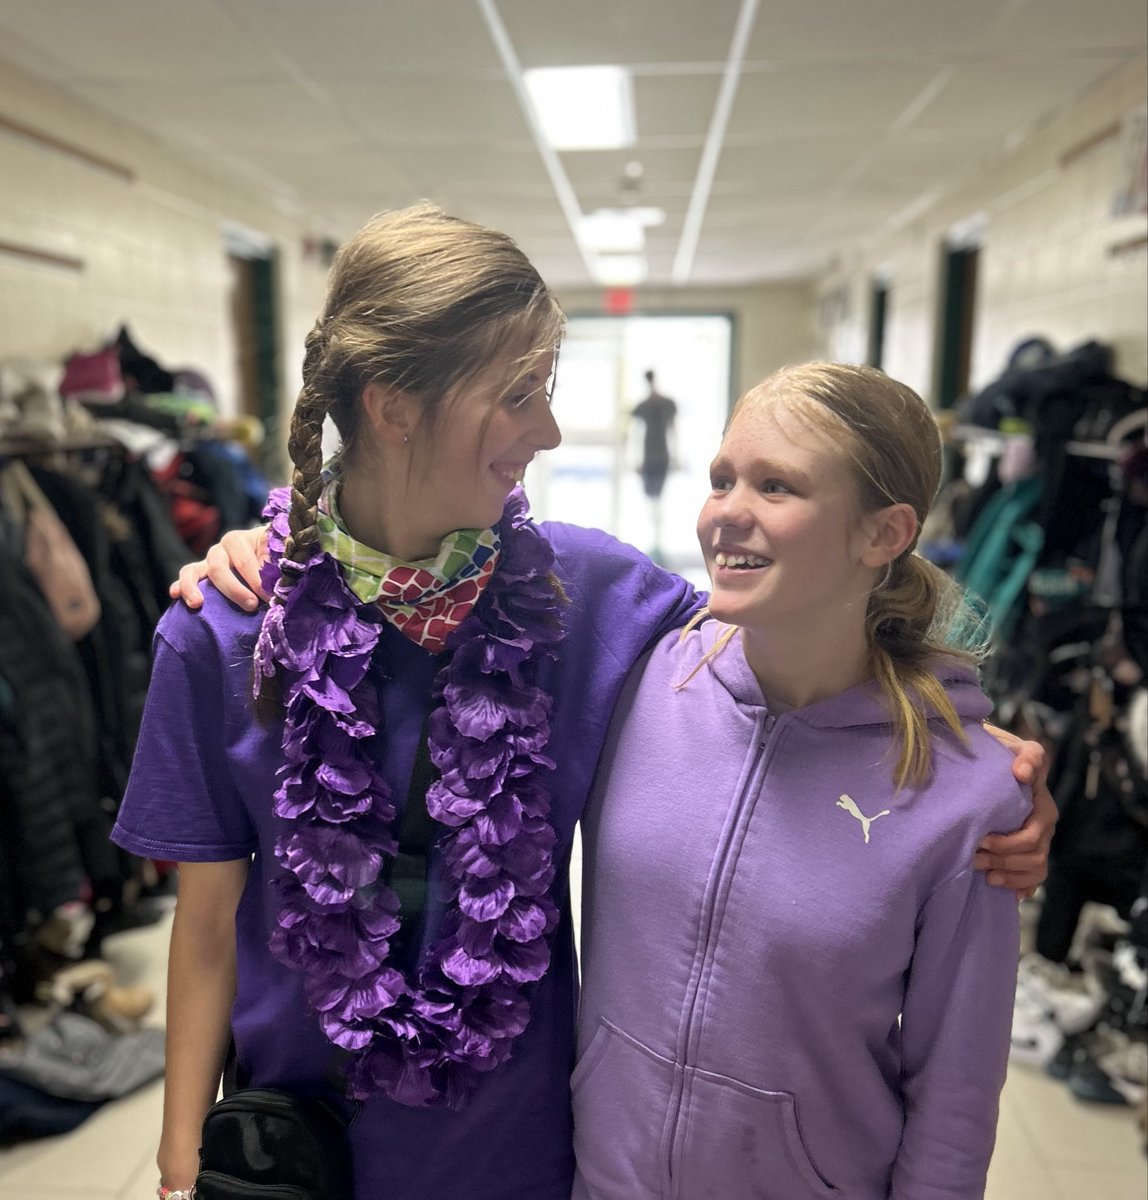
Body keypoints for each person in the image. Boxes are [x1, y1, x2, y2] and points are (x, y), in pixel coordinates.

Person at [149, 207, 1052, 1200]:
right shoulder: (224, 631)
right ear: (392, 408)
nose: (547, 430)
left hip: (523, 1153)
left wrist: (975, 754)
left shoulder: (588, 597)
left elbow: (809, 636)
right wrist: (178, 1159)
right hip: (301, 1153)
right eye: (517, 395)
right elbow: (203, 926)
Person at [571, 363, 1034, 1199]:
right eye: (722, 480)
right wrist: (275, 543)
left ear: (883, 534)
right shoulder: (638, 681)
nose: (726, 514)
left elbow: (956, 1095)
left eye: (776, 485)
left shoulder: (966, 792)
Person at [630, 369, 678, 559]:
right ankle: (653, 540)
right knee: (652, 498)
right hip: (651, 457)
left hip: (658, 456)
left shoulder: (664, 405)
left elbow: (672, 430)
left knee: (657, 498)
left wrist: (675, 456)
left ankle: (658, 541)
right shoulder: (644, 407)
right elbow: (636, 433)